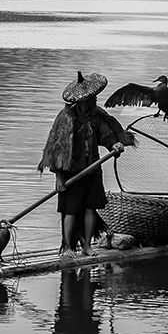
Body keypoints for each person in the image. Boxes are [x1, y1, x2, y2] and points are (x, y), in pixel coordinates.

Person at [38, 71, 135, 256]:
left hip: (92, 171)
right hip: (71, 173)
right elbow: (55, 149)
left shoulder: (96, 117)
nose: (95, 101)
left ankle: (87, 247)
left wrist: (114, 144)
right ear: (82, 101)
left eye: (94, 98)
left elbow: (106, 135)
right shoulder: (65, 119)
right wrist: (58, 177)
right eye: (91, 99)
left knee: (91, 209)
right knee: (70, 210)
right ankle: (67, 247)